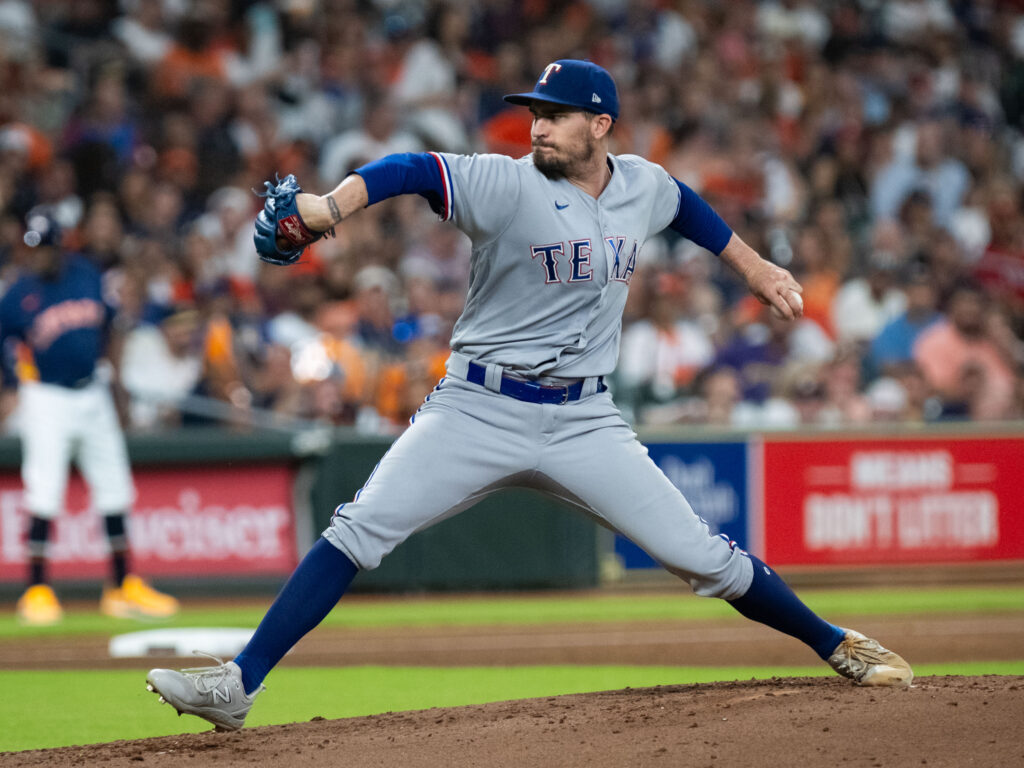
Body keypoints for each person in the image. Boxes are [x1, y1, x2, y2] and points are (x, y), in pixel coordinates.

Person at [146, 60, 912, 732]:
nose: (537, 127)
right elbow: (411, 168)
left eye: (556, 116)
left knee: (704, 557)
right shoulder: (505, 182)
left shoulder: (640, 183)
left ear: (601, 125)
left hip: (585, 419)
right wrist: (326, 209)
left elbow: (686, 207)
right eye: (535, 114)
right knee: (360, 529)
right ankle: (240, 683)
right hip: (476, 408)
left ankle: (833, 642)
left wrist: (754, 268)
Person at [0, 211, 179, 625]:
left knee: (115, 486)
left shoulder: (87, 274)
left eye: (45, 247)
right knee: (44, 490)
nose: (39, 255)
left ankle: (121, 586)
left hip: (92, 389)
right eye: (33, 247)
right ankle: (36, 588)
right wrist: (11, 381)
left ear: (59, 245)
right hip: (46, 396)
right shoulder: (18, 294)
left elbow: (111, 327)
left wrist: (114, 383)